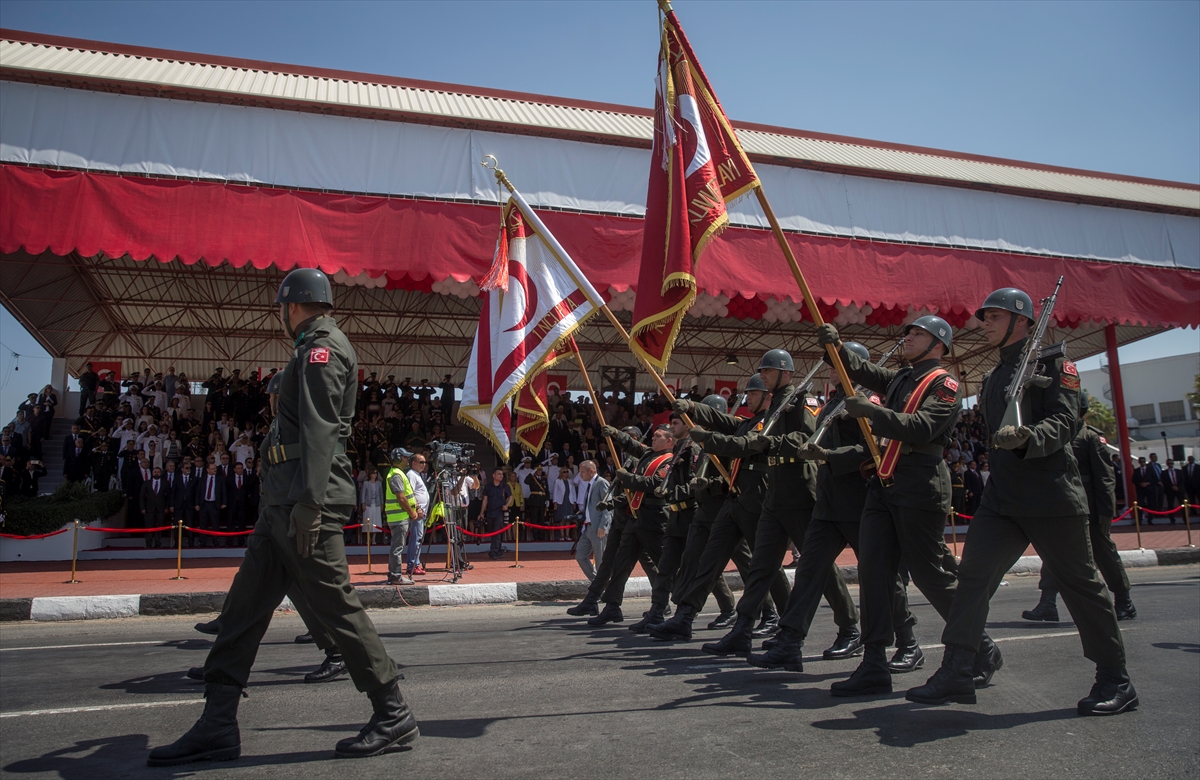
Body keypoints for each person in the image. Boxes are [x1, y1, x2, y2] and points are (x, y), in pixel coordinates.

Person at [150, 268, 416, 766]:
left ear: (292, 305)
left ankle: (392, 710)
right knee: (242, 610)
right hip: (283, 501)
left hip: (302, 502)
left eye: (280, 307)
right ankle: (217, 723)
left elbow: (318, 430)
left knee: (336, 606)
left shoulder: (322, 349)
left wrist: (310, 505)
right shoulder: (309, 348)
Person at [907, 287, 1137, 717]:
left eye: (994, 317)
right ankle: (959, 667)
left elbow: (1067, 420)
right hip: (1003, 498)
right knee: (972, 578)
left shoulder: (1054, 364)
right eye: (986, 317)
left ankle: (1116, 679)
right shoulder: (995, 376)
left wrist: (1032, 437)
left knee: (1082, 588)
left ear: (1023, 321)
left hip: (1050, 493)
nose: (985, 324)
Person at [814, 317, 978, 698]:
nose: (907, 337)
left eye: (917, 334)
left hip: (920, 479)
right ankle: (873, 663)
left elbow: (922, 427)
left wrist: (871, 413)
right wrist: (835, 347)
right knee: (874, 572)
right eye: (908, 332)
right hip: (885, 480)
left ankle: (978, 647)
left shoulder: (943, 383)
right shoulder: (902, 378)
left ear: (938, 344)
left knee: (930, 573)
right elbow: (865, 370)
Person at [747, 343, 924, 674]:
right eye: (829, 364)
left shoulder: (867, 404)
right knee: (809, 571)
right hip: (827, 504)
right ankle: (790, 642)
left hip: (859, 503)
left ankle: (909, 642)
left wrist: (830, 456)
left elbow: (874, 452)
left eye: (838, 364)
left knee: (882, 577)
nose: (831, 369)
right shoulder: (831, 404)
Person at [682, 350, 857, 654]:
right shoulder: (773, 406)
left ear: (785, 373)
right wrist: (696, 409)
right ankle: (742, 628)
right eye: (761, 372)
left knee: (820, 567)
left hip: (800, 490)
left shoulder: (801, 400)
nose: (761, 375)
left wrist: (770, 442)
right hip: (774, 490)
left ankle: (849, 628)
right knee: (762, 565)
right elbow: (737, 428)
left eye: (767, 371)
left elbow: (807, 438)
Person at [1024, 391, 1136, 623]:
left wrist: (1106, 511)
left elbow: (1105, 478)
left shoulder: (1089, 437)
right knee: (1053, 554)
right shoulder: (1054, 433)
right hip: (1060, 506)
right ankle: (1047, 603)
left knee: (1104, 554)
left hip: (1090, 509)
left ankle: (1124, 601)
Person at [588, 425, 674, 627]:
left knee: (664, 566)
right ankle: (612, 607)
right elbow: (633, 445)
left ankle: (676, 605)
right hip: (636, 517)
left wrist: (628, 478)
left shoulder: (670, 460)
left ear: (669, 441)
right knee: (621, 563)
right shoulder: (648, 454)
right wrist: (616, 434)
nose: (654, 438)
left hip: (655, 519)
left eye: (658, 436)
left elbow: (654, 483)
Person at [384, 448, 421, 585]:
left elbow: (408, 495)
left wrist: (416, 508)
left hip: (401, 516)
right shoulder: (396, 475)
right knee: (397, 547)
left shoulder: (399, 474)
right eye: (405, 457)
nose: (407, 460)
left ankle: (395, 574)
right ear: (398, 459)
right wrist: (412, 512)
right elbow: (401, 498)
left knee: (398, 546)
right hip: (398, 517)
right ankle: (395, 576)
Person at [573, 460, 612, 581]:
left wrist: (604, 526)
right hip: (588, 528)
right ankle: (597, 582)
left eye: (582, 472)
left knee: (600, 560)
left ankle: (603, 588)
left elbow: (609, 506)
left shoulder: (601, 483)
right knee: (580, 556)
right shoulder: (590, 484)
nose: (580, 475)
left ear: (591, 471)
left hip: (598, 528)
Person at [405, 452, 430, 576]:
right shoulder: (411, 475)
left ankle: (414, 563)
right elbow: (410, 494)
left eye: (425, 462)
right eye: (421, 462)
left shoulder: (417, 475)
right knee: (416, 539)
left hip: (421, 513)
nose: (424, 464)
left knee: (417, 538)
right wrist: (418, 508)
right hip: (417, 513)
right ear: (413, 463)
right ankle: (413, 564)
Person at [480, 467, 513, 560]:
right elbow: (485, 500)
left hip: (499, 512)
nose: (501, 476)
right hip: (490, 512)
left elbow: (510, 497)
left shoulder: (504, 486)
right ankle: (498, 550)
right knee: (492, 532)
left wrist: (506, 505)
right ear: (493, 475)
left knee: (497, 532)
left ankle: (493, 551)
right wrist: (481, 513)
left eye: (502, 474)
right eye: (499, 474)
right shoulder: (488, 487)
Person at [194, 462, 227, 548]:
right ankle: (202, 542)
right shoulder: (202, 478)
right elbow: (198, 492)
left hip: (214, 504)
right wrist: (197, 504)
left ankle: (216, 542)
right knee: (203, 524)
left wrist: (224, 502)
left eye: (215, 468)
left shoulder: (220, 478)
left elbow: (224, 491)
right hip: (204, 504)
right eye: (212, 469)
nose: (215, 470)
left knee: (215, 524)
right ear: (207, 470)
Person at [140, 466, 170, 549]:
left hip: (161, 509)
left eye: (158, 472)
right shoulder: (146, 483)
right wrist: (142, 508)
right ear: (152, 473)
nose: (156, 473)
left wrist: (166, 507)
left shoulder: (165, 483)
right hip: (149, 509)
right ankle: (148, 544)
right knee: (148, 527)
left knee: (159, 527)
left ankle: (158, 543)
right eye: (155, 472)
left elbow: (168, 497)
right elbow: (142, 497)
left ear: (160, 473)